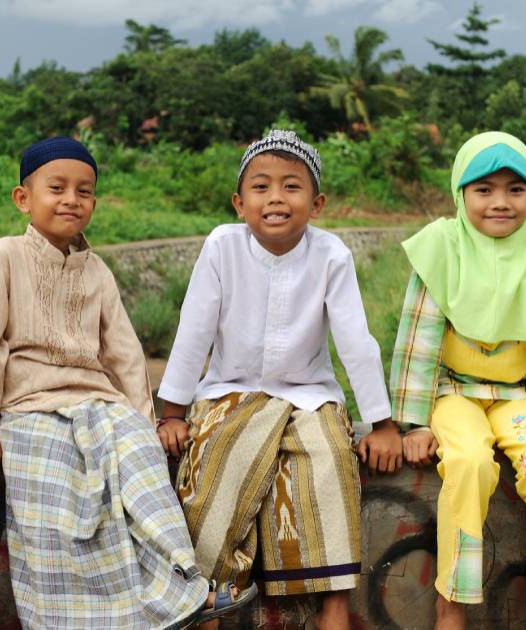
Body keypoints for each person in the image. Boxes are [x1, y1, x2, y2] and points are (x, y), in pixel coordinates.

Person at [0, 136, 255, 629]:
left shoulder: (97, 270)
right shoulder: (4, 256)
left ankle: (186, 592)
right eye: (56, 188)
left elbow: (123, 352)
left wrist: (145, 421)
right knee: (57, 494)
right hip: (28, 407)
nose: (70, 199)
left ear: (94, 203)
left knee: (143, 470)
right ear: (23, 198)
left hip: (100, 401)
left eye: (83, 191)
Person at [157, 129, 402, 630]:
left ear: (317, 203)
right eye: (261, 187)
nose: (275, 199)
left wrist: (381, 423)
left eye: (292, 187)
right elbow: (194, 328)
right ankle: (205, 598)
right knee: (215, 465)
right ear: (239, 201)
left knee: (331, 458)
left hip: (310, 395)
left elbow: (356, 341)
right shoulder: (222, 246)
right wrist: (172, 413)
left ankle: (333, 607)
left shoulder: (332, 254)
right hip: (231, 390)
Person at [392, 131, 526, 630]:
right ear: (460, 194)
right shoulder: (442, 248)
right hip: (454, 392)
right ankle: (451, 601)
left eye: (515, 190)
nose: (500, 202)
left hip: (519, 396)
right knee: (470, 462)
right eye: (484, 189)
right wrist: (414, 423)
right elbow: (419, 340)